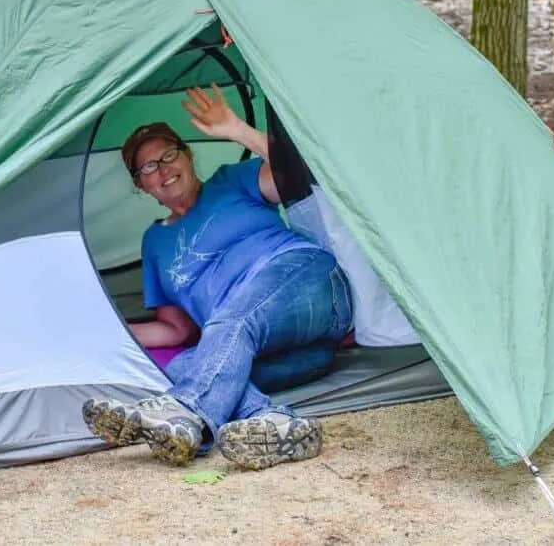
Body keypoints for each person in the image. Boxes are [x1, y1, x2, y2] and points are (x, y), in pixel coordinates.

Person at [81, 84, 354, 470]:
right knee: (184, 363)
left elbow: (301, 171)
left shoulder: (232, 181)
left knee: (229, 320)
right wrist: (100, 329)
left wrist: (236, 129)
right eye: (148, 167)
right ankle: (277, 424)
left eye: (169, 155)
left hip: (308, 282)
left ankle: (185, 414)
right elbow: (175, 332)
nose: (163, 169)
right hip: (279, 346)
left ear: (188, 156)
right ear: (140, 185)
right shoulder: (155, 242)